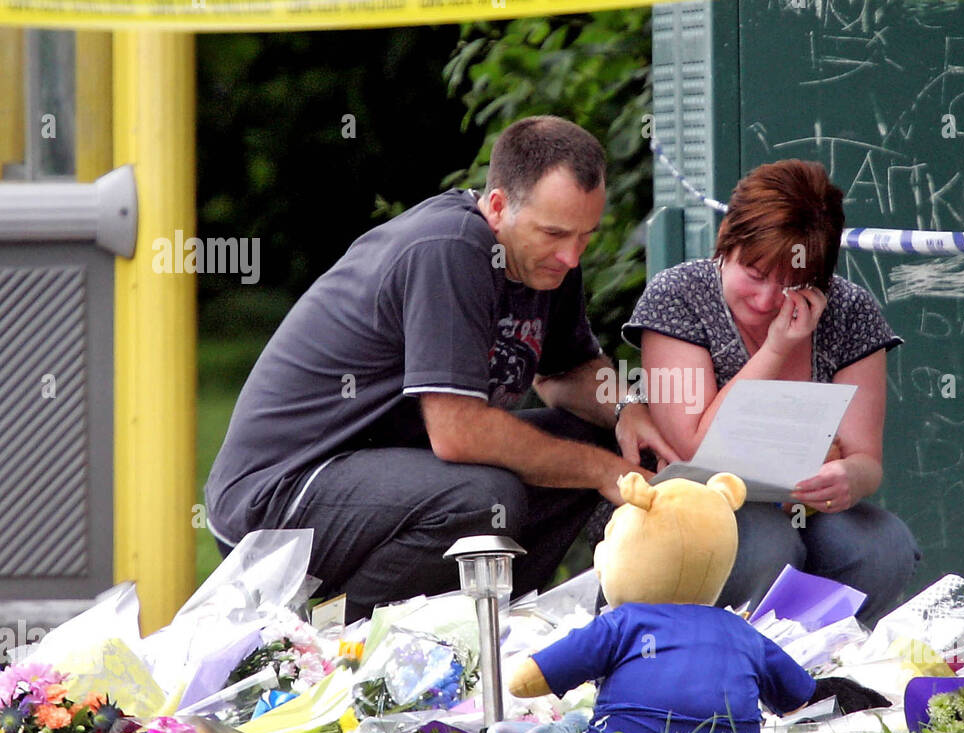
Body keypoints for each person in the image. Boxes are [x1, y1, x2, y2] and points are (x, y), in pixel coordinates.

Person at [205, 116, 677, 624]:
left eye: (585, 236)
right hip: (277, 500)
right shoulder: (449, 248)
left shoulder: (548, 259)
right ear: (497, 206)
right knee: (483, 498)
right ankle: (331, 643)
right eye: (555, 233)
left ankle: (495, 628)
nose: (570, 255)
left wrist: (626, 412)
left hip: (386, 476)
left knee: (593, 441)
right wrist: (605, 471)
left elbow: (565, 374)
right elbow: (459, 434)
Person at [622, 159, 920, 623]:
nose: (765, 302)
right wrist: (777, 349)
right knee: (767, 543)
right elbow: (697, 449)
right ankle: (734, 668)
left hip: (806, 507)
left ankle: (819, 665)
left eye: (791, 285)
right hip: (699, 510)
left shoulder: (851, 311)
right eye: (755, 274)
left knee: (882, 545)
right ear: (728, 243)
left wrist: (847, 480)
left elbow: (863, 460)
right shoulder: (678, 296)